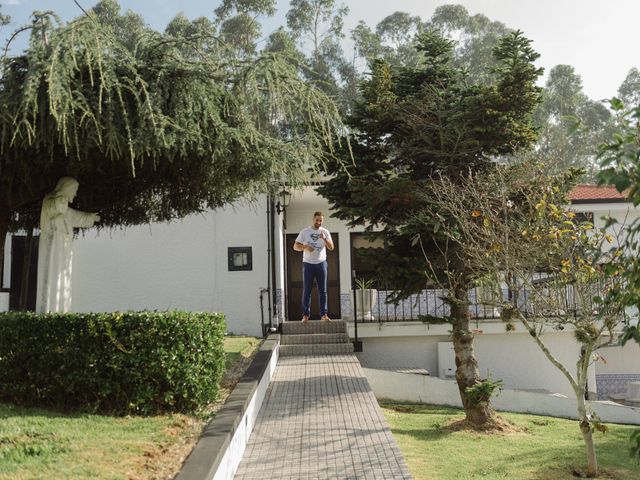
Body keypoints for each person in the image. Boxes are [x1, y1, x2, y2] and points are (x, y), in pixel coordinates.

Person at [36, 177, 100, 313]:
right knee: (53, 276)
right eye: (74, 190)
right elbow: (55, 208)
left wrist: (91, 218)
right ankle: (50, 311)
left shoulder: (64, 208)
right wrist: (61, 200)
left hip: (64, 246)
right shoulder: (50, 201)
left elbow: (77, 216)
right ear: (66, 188)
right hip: (53, 245)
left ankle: (61, 311)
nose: (75, 194)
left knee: (63, 279)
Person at [294, 211, 334, 322]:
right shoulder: (305, 231)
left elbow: (331, 247)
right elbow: (295, 246)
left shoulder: (325, 232)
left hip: (321, 263)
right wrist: (305, 247)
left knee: (323, 291)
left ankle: (324, 315)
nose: (319, 222)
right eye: (317, 220)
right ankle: (306, 315)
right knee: (307, 290)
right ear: (313, 219)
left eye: (321, 220)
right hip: (308, 264)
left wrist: (324, 239)